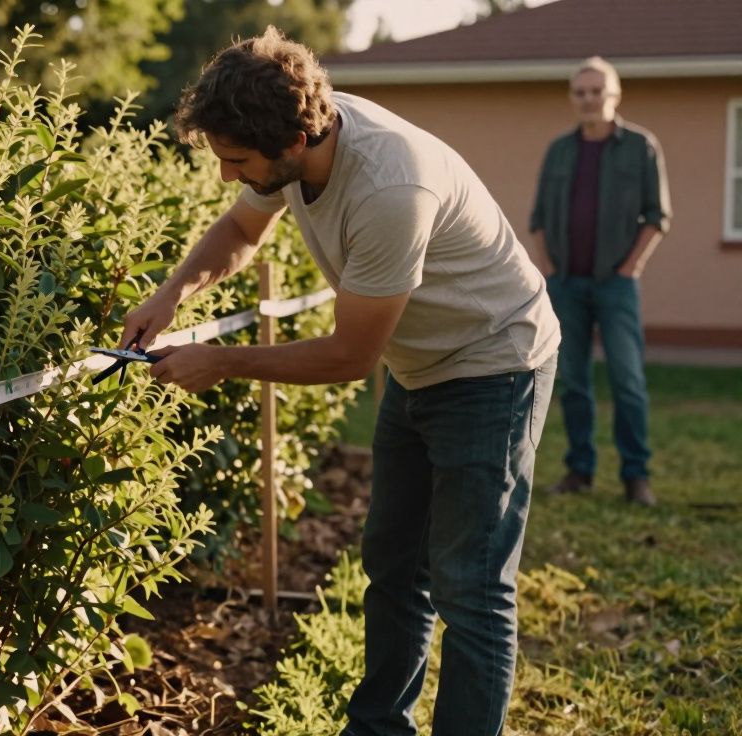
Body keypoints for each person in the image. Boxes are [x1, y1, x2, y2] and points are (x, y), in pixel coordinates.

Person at [120, 27, 560, 736]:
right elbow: (239, 232)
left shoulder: (388, 186)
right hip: (421, 366)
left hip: (493, 364)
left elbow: (350, 357)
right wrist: (172, 294)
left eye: (235, 161)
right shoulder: (296, 140)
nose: (228, 175)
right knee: (392, 566)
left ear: (291, 143)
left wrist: (222, 363)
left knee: (470, 587)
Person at [529, 56, 670, 507]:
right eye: (581, 92)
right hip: (566, 285)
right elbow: (538, 219)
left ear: (615, 95)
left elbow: (657, 216)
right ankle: (579, 470)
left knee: (627, 381)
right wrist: (550, 268)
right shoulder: (558, 150)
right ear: (573, 98)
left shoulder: (641, 146)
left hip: (616, 286)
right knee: (573, 381)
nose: (589, 99)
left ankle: (636, 476)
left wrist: (630, 267)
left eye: (597, 91)